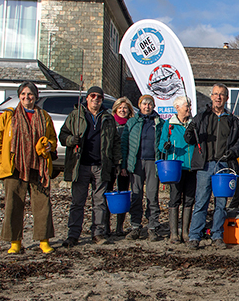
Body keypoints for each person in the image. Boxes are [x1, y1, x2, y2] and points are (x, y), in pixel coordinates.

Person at [0, 82, 57, 254]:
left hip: (38, 167)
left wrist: (49, 145)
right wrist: (3, 160)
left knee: (43, 205)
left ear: (36, 97)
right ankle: (15, 242)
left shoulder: (44, 116)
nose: (27, 97)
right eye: (24, 94)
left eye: (30, 94)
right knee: (13, 205)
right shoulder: (9, 116)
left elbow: (52, 138)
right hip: (15, 168)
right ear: (19, 96)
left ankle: (44, 241)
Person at [184, 83, 239, 250]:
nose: (218, 97)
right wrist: (190, 130)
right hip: (205, 165)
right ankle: (194, 236)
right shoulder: (201, 117)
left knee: (221, 203)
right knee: (201, 201)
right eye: (216, 94)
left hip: (224, 166)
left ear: (226, 98)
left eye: (222, 94)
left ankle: (217, 235)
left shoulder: (233, 120)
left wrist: (233, 152)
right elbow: (189, 139)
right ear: (211, 96)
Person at [60, 85, 121, 247]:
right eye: (93, 96)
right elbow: (62, 135)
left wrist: (117, 162)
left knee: (99, 202)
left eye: (99, 97)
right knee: (77, 202)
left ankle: (98, 233)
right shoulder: (76, 115)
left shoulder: (108, 118)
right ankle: (73, 235)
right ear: (87, 98)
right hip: (80, 165)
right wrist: (71, 140)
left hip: (101, 165)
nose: (96, 99)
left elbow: (115, 142)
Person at [121, 95, 164, 241]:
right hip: (136, 162)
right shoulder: (132, 122)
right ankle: (135, 226)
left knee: (152, 195)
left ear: (153, 106)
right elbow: (124, 144)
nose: (147, 106)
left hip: (153, 162)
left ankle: (152, 227)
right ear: (139, 105)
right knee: (136, 194)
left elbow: (164, 142)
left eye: (150, 104)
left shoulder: (159, 123)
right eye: (144, 104)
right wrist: (124, 165)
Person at [158, 96, 196, 244]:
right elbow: (161, 145)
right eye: (187, 105)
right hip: (175, 168)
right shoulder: (169, 124)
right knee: (174, 198)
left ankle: (185, 232)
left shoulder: (193, 124)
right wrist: (165, 147)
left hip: (191, 167)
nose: (189, 108)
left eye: (190, 105)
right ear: (177, 107)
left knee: (189, 199)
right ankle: (174, 233)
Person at [109, 97, 134, 236]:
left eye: (125, 108)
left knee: (123, 192)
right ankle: (105, 225)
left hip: (125, 164)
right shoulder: (110, 123)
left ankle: (119, 226)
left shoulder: (132, 124)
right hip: (111, 163)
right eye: (120, 108)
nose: (122, 110)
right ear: (115, 109)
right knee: (107, 192)